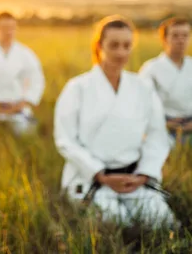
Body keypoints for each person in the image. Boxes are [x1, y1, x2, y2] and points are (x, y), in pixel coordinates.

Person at [54, 15, 175, 227]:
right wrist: (100, 174)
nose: (121, 52)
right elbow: (66, 140)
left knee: (163, 222)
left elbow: (157, 134)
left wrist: (144, 174)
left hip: (133, 177)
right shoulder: (77, 88)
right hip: (90, 178)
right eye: (114, 45)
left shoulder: (142, 87)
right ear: (99, 46)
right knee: (117, 224)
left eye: (127, 46)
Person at [139, 17, 192, 145]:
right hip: (164, 127)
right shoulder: (151, 69)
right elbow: (141, 105)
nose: (181, 40)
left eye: (185, 35)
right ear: (164, 39)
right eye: (175, 36)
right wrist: (167, 124)